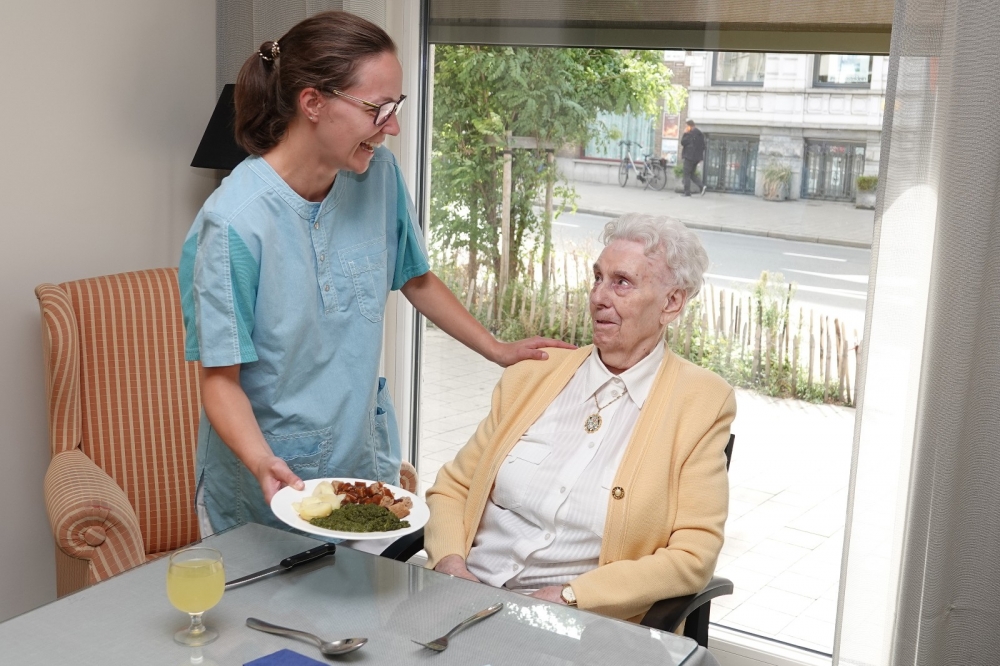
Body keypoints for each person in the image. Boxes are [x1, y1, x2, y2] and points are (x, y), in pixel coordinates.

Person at [179, 11, 571, 536]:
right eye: (378, 109)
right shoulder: (233, 224)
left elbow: (416, 278)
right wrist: (260, 462)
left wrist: (496, 349)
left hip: (359, 463)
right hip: (269, 481)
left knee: (356, 614)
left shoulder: (378, 175)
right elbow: (220, 382)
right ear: (313, 102)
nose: (394, 126)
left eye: (397, 106)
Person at [425, 213, 736, 622]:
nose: (598, 297)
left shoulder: (701, 403)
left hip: (575, 625)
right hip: (465, 596)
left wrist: (572, 596)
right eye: (597, 278)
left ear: (672, 302)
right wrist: (450, 564)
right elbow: (454, 488)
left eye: (621, 282)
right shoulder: (533, 374)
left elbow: (694, 554)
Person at [680, 119, 707, 197]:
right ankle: (702, 186)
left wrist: (685, 133)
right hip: (697, 158)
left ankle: (687, 192)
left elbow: (683, 142)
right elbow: (703, 146)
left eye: (686, 126)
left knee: (686, 174)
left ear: (689, 126)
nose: (685, 128)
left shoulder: (689, 133)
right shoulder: (700, 134)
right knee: (691, 174)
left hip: (689, 156)